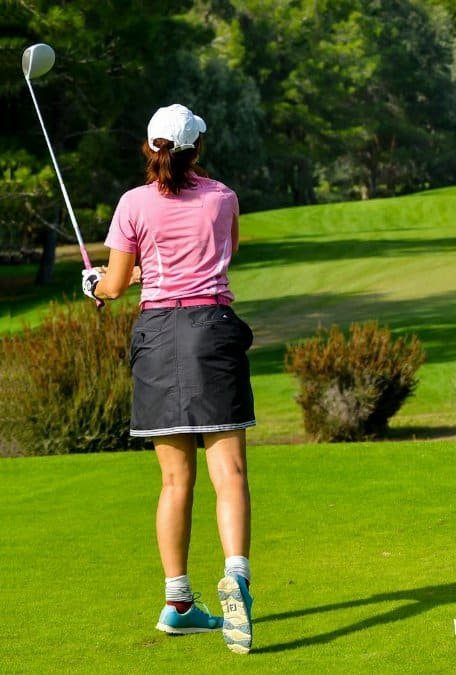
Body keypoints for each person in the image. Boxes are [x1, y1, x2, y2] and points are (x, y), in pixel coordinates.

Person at [86, 104, 255, 655]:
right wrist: (139, 270)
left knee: (174, 481)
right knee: (227, 471)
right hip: (212, 329)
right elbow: (224, 252)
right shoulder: (223, 197)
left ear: (150, 147)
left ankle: (179, 602)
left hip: (158, 336)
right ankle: (238, 581)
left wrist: (98, 283)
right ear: (196, 149)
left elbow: (113, 286)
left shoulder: (133, 203)